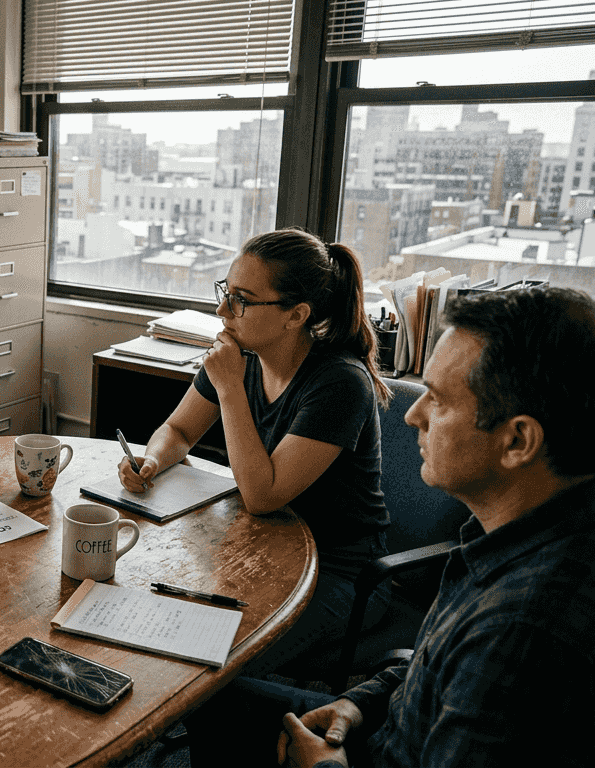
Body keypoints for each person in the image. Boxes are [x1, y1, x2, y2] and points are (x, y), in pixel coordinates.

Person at [188, 286, 595, 767]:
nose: (412, 414)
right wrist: (360, 701)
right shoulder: (517, 533)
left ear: (517, 441)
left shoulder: (525, 635)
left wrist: (323, 767)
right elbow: (434, 664)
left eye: (441, 400)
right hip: (387, 724)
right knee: (212, 699)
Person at [119, 228, 392, 675]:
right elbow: (178, 429)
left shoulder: (340, 384)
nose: (222, 310)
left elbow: (263, 496)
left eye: (242, 299)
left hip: (337, 570)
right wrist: (153, 458)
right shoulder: (240, 354)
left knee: (212, 659)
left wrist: (229, 389)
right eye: (226, 292)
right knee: (151, 611)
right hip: (263, 547)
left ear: (295, 315)